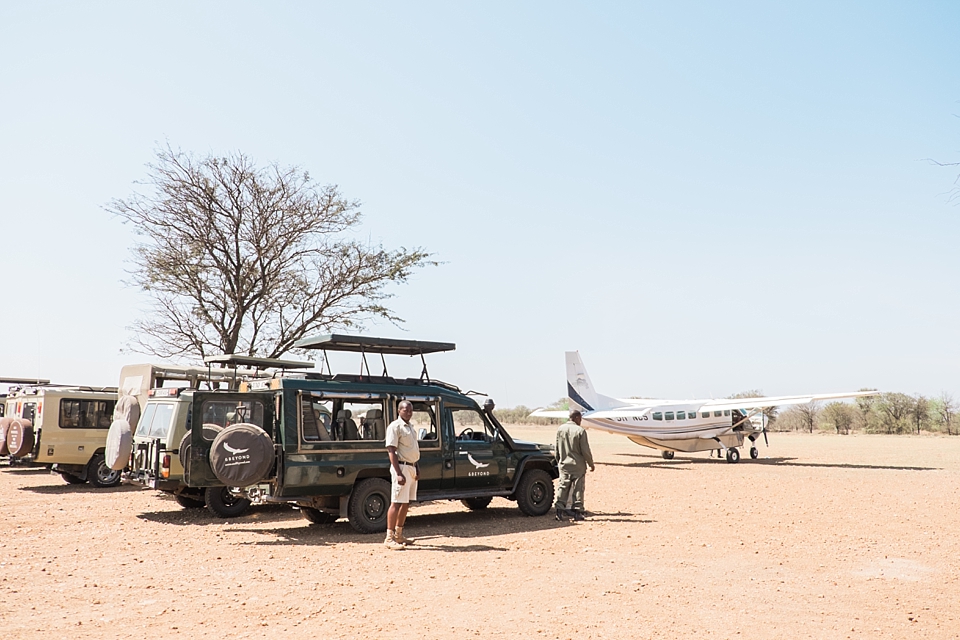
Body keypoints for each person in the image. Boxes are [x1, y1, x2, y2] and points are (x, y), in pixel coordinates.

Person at [384, 400, 420, 550]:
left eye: (411, 410)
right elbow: (391, 450)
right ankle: (389, 537)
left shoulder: (410, 427)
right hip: (402, 467)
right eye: (406, 410)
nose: (409, 412)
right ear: (399, 411)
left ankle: (399, 534)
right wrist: (398, 473)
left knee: (406, 502)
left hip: (411, 467)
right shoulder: (395, 427)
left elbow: (412, 448)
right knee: (396, 502)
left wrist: (416, 467)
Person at [554, 409, 595, 521]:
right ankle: (577, 513)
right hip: (578, 466)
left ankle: (559, 512)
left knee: (563, 487)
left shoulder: (561, 429)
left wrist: (558, 460)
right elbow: (585, 450)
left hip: (564, 465)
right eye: (580, 419)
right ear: (576, 418)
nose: (580, 421)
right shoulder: (580, 431)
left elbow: (557, 448)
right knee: (578, 489)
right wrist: (591, 463)